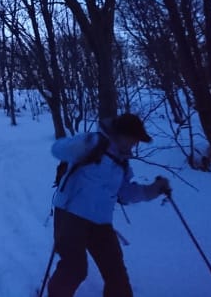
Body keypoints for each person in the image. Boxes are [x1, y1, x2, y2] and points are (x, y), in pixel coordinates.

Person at [47, 113, 171, 297]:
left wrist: (153, 190)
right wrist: (79, 145)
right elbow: (57, 149)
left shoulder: (122, 163)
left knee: (116, 270)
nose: (134, 144)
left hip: (100, 221)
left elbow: (125, 193)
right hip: (71, 214)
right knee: (74, 268)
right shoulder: (94, 143)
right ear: (120, 134)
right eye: (133, 138)